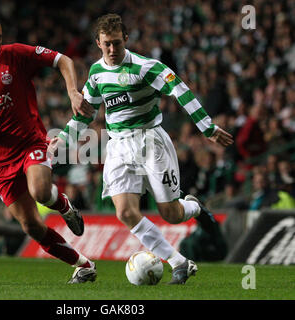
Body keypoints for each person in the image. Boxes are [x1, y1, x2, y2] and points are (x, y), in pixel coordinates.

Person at [49, 13, 234, 284]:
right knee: (124, 212)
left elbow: (179, 89)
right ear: (98, 43)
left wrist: (207, 127)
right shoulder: (97, 73)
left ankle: (193, 207)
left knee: (171, 214)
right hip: (118, 146)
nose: (112, 50)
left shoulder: (146, 67)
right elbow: (85, 114)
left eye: (116, 43)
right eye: (106, 44)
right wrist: (62, 140)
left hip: (151, 142)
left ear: (125, 39)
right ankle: (178, 262)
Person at [0, 11, 96, 284]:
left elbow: (62, 60)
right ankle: (83, 265)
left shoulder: (15, 55)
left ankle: (64, 206)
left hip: (31, 143)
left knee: (40, 191)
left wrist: (73, 92)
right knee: (31, 226)